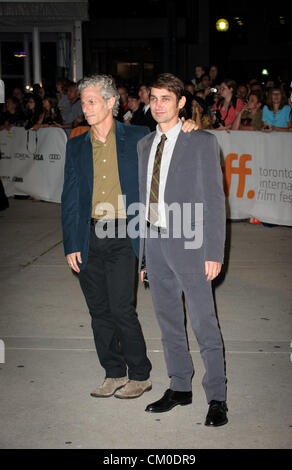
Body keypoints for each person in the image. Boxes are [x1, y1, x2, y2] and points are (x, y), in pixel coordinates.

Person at [137, 73, 228, 427]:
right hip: (155, 242)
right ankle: (179, 387)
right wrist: (144, 255)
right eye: (154, 98)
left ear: (181, 103)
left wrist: (214, 252)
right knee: (169, 321)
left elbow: (215, 201)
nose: (158, 105)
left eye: (165, 99)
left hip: (191, 243)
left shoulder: (202, 141)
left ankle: (217, 396)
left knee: (205, 323)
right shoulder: (144, 144)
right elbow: (145, 201)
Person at [61, 74, 152, 400]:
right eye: (83, 101)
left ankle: (140, 374)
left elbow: (171, 152)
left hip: (122, 234)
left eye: (91, 101)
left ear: (111, 103)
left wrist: (190, 127)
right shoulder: (76, 145)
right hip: (87, 236)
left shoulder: (139, 136)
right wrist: (71, 243)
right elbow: (70, 197)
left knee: (121, 308)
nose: (84, 108)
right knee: (98, 310)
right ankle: (113, 372)